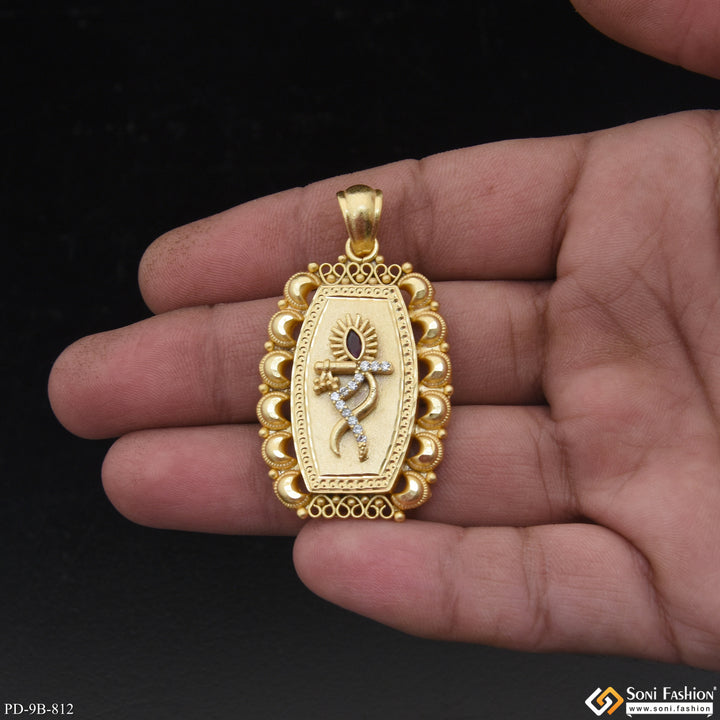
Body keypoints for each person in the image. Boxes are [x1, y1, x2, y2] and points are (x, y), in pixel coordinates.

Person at [48, 0, 720, 671]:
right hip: (348, 404)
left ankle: (355, 449)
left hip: (363, 405)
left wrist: (354, 376)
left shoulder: (377, 335)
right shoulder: (338, 321)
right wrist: (346, 376)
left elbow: (374, 374)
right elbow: (348, 373)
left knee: (352, 422)